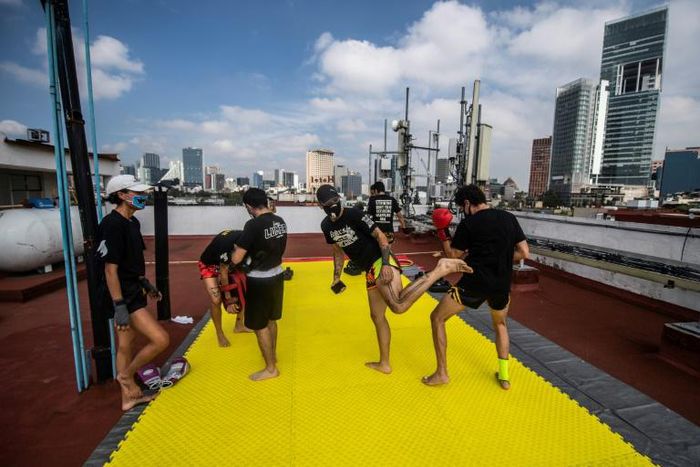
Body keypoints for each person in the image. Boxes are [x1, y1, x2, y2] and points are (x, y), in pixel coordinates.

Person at [316, 184, 472, 374]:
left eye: (334, 201)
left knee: (398, 306)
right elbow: (337, 250)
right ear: (320, 205)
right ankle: (385, 363)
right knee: (377, 316)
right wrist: (336, 277)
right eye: (327, 204)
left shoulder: (354, 215)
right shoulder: (326, 226)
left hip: (380, 261)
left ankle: (440, 269)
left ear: (339, 199)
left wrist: (386, 264)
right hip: (369, 269)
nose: (331, 206)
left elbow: (381, 237)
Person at [422, 184, 529, 389]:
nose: (463, 212)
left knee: (437, 318)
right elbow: (524, 252)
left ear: (468, 203)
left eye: (463, 208)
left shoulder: (470, 224)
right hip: (501, 283)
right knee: (500, 325)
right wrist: (504, 259)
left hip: (474, 282)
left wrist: (442, 231)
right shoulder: (509, 218)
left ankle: (441, 373)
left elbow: (453, 256)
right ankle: (504, 377)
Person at [96, 175, 170, 410]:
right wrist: (119, 305)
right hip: (121, 295)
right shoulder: (112, 224)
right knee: (160, 339)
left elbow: (131, 262)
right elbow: (110, 270)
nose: (143, 196)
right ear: (122, 195)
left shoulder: (132, 223)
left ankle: (128, 398)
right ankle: (126, 376)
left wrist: (145, 284)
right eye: (137, 193)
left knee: (126, 344)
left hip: (131, 289)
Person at [230, 188, 287, 381]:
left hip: (259, 280)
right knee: (271, 320)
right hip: (278, 274)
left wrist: (234, 252)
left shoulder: (252, 225)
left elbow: (237, 258)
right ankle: (274, 356)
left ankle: (270, 368)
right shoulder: (279, 221)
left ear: (248, 206)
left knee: (259, 325)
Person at [198, 229, 252, 348]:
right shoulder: (226, 248)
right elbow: (223, 272)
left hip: (230, 263)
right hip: (210, 265)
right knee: (216, 300)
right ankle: (219, 333)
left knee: (244, 289)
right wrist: (229, 299)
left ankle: (239, 325)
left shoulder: (247, 239)